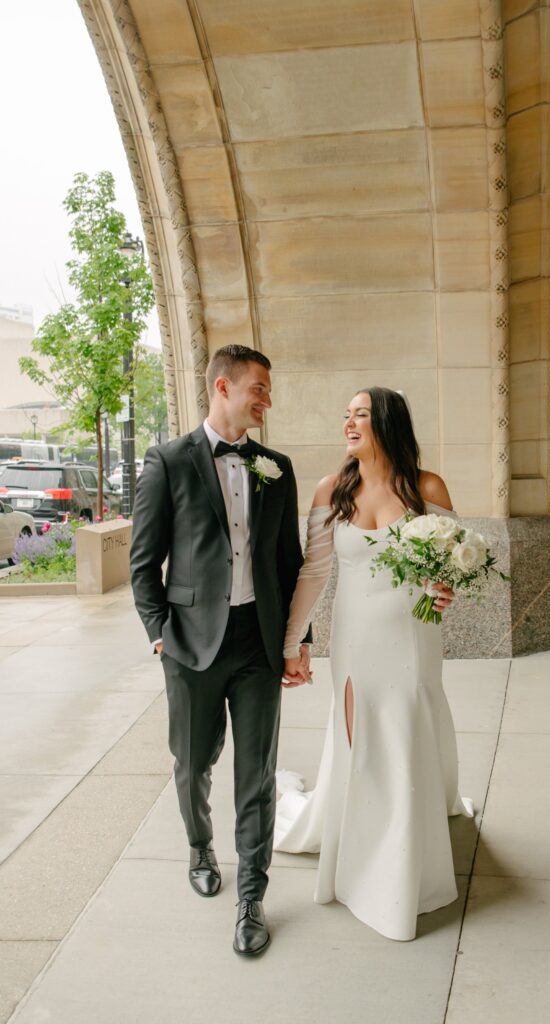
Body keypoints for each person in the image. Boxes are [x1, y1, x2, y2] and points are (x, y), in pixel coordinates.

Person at [129, 344, 311, 958]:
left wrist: (297, 643)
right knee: (192, 762)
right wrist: (160, 633)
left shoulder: (276, 467)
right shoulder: (168, 461)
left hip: (258, 643)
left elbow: (290, 565)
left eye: (268, 388)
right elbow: (142, 562)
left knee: (256, 773)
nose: (267, 399)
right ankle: (200, 846)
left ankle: (251, 897)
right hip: (189, 645)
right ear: (222, 388)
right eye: (258, 387)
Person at [276, 386, 474, 942]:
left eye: (360, 414)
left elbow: (455, 560)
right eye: (346, 415)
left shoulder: (426, 487)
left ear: (386, 422)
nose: (349, 422)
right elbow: (313, 575)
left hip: (413, 636)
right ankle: (359, 850)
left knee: (406, 732)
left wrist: (445, 587)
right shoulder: (330, 489)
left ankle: (405, 855)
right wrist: (293, 642)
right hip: (355, 639)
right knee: (357, 738)